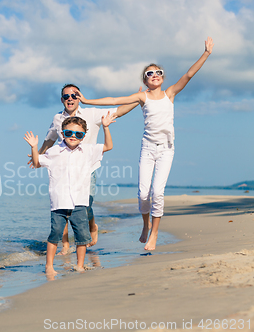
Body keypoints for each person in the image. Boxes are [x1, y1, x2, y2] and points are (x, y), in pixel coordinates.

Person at [78, 37, 214, 251]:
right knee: (143, 193)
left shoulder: (170, 94)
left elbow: (188, 75)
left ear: (162, 77)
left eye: (158, 72)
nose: (155, 75)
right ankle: (145, 224)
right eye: (150, 73)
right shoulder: (143, 97)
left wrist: (205, 54)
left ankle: (154, 232)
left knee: (157, 192)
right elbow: (115, 101)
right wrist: (86, 101)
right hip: (148, 149)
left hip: (166, 150)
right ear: (145, 79)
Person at [33, 84, 139, 254]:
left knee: (85, 205)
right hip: (62, 167)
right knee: (62, 204)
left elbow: (118, 111)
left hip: (87, 168)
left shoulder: (92, 113)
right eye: (66, 96)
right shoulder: (57, 119)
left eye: (74, 95)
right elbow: (49, 139)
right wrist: (38, 155)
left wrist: (138, 100)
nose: (70, 98)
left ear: (80, 97)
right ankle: (66, 244)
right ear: (62, 100)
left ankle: (92, 225)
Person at [24, 114, 116, 275]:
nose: (73, 136)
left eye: (78, 134)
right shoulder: (54, 151)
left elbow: (108, 146)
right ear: (62, 132)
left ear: (83, 136)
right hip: (59, 202)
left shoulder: (88, 150)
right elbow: (37, 162)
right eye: (69, 133)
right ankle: (49, 266)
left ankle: (80, 265)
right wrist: (34, 147)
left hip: (80, 201)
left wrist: (106, 127)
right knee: (54, 235)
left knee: (82, 237)